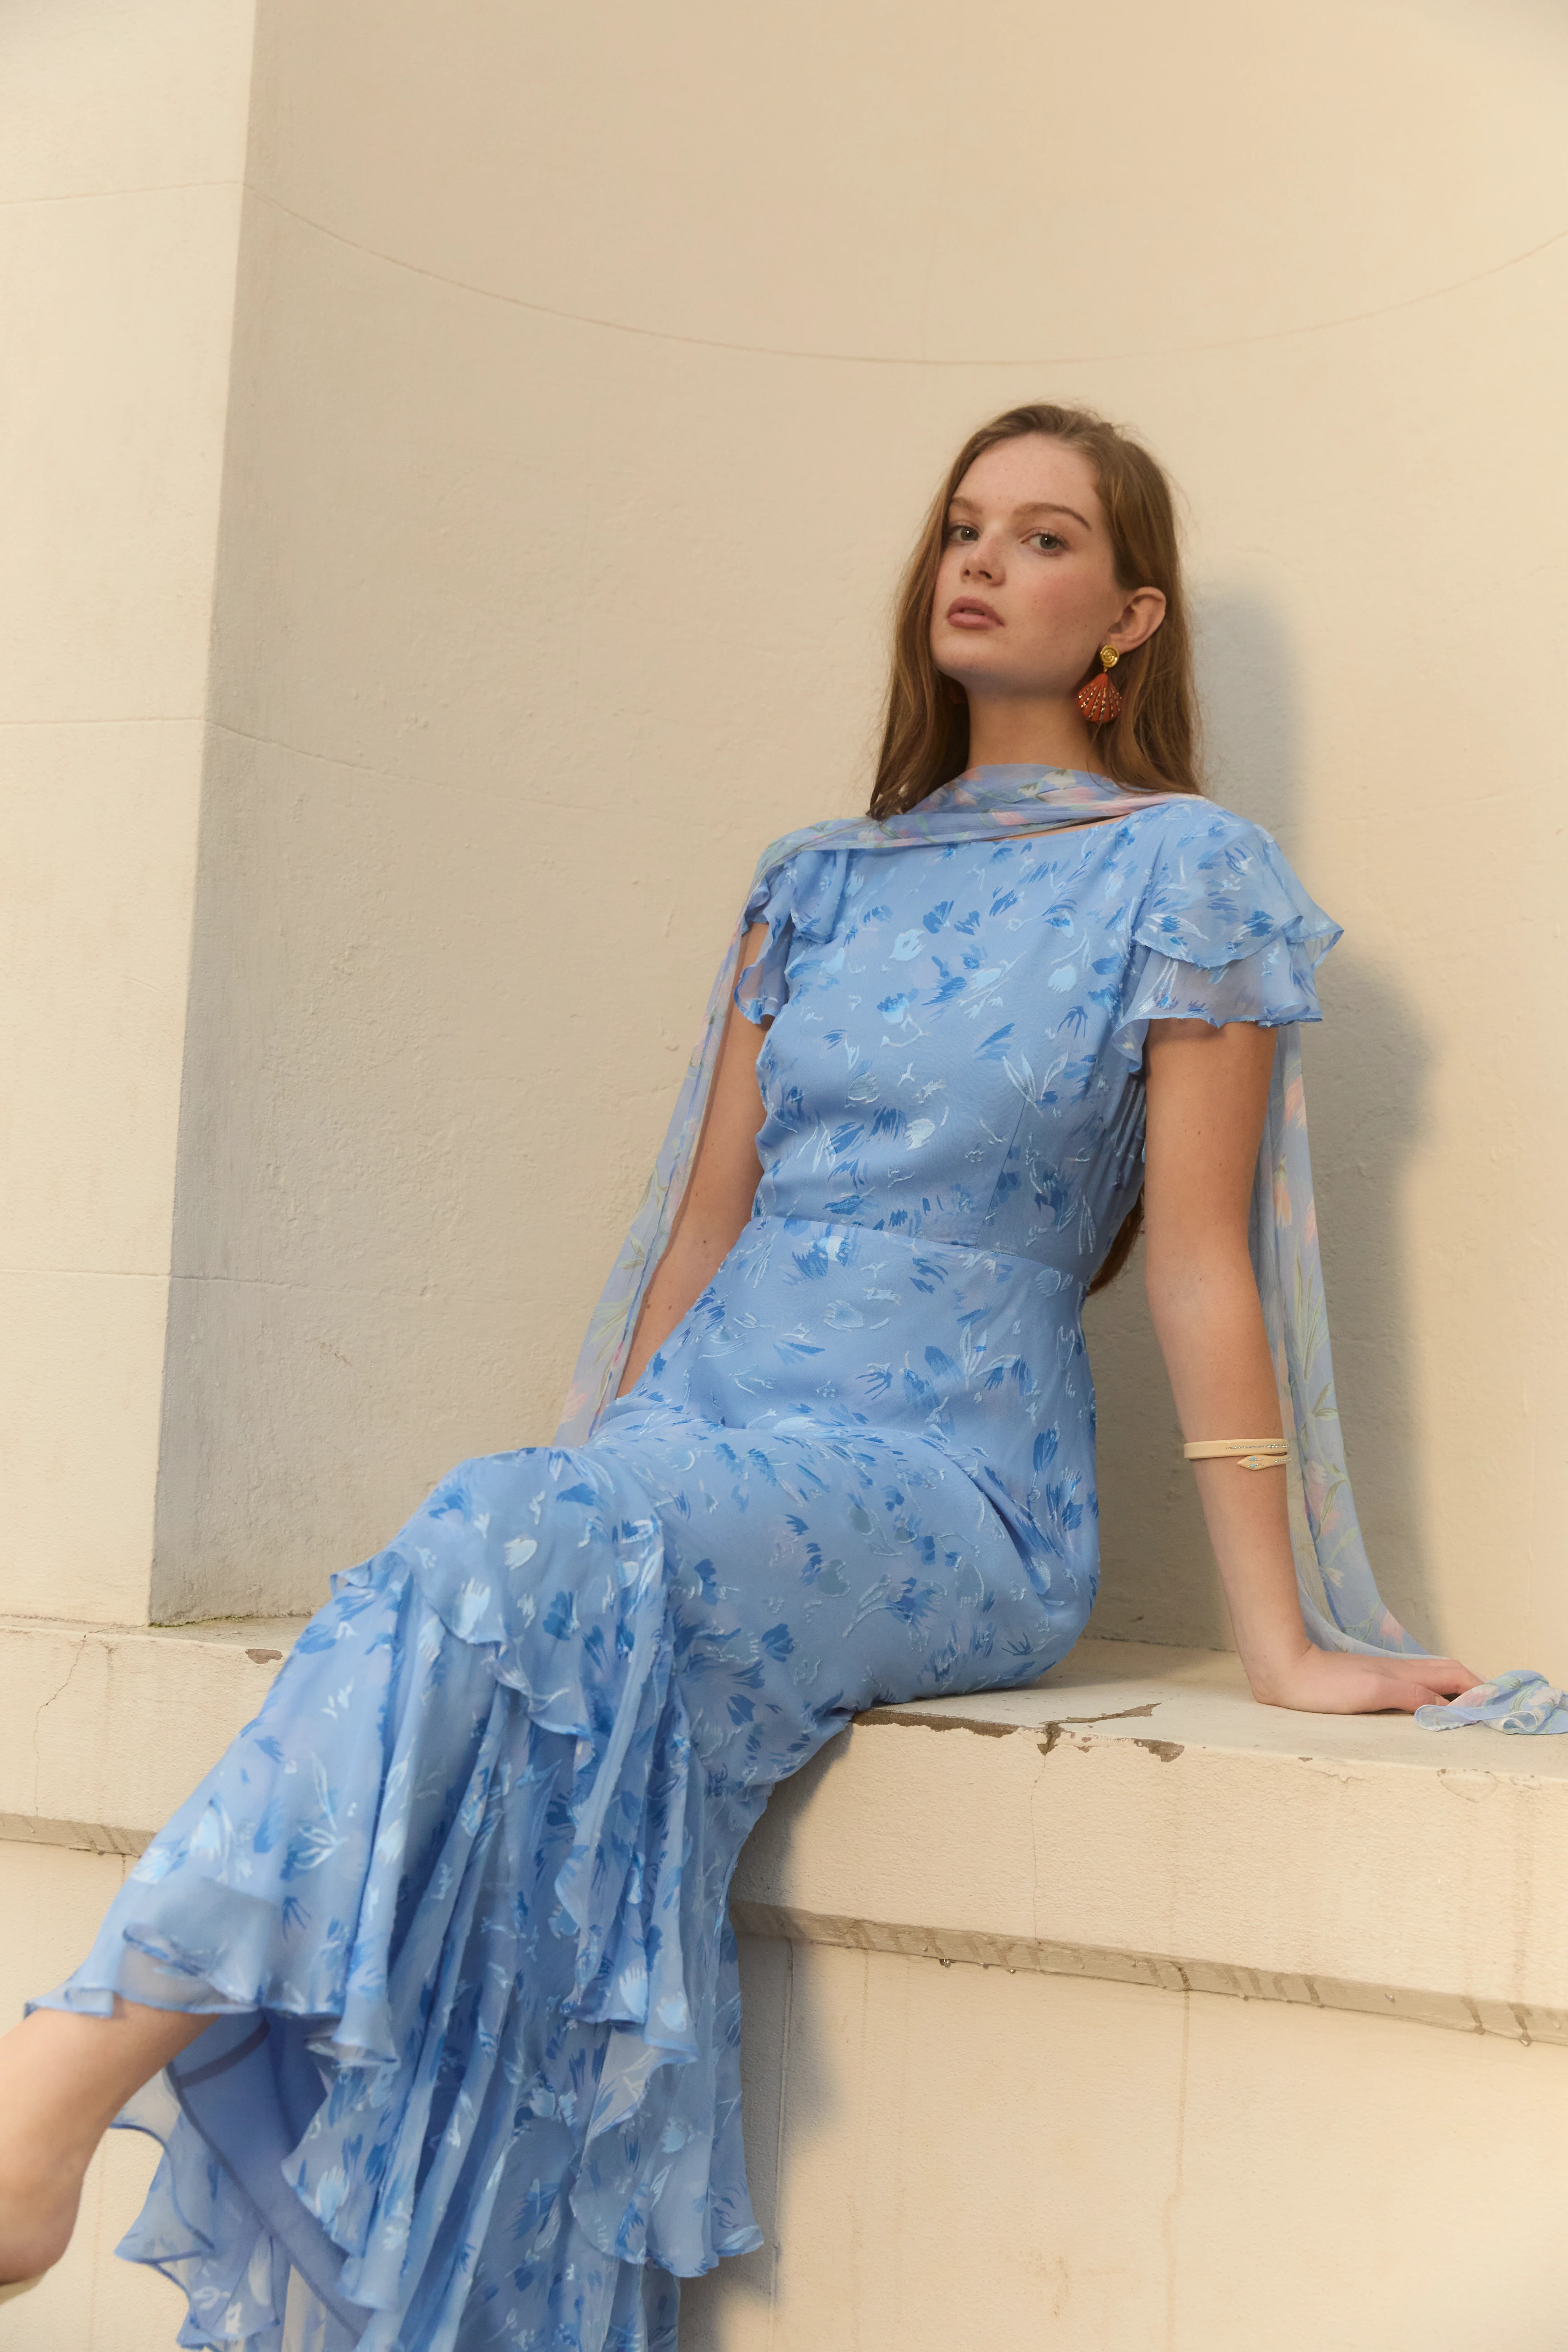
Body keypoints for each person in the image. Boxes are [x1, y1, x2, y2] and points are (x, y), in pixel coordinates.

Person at [0, 402, 1486, 2349]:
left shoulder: (1185, 875)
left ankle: (69, 2070)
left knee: (530, 1533)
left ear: (1128, 619)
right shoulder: (818, 881)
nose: (980, 560)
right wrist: (592, 1485)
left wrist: (1281, 1636)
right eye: (964, 524)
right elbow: (703, 1230)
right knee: (516, 1536)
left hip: (951, 1488)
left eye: (1042, 539)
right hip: (710, 1445)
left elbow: (1203, 1261)